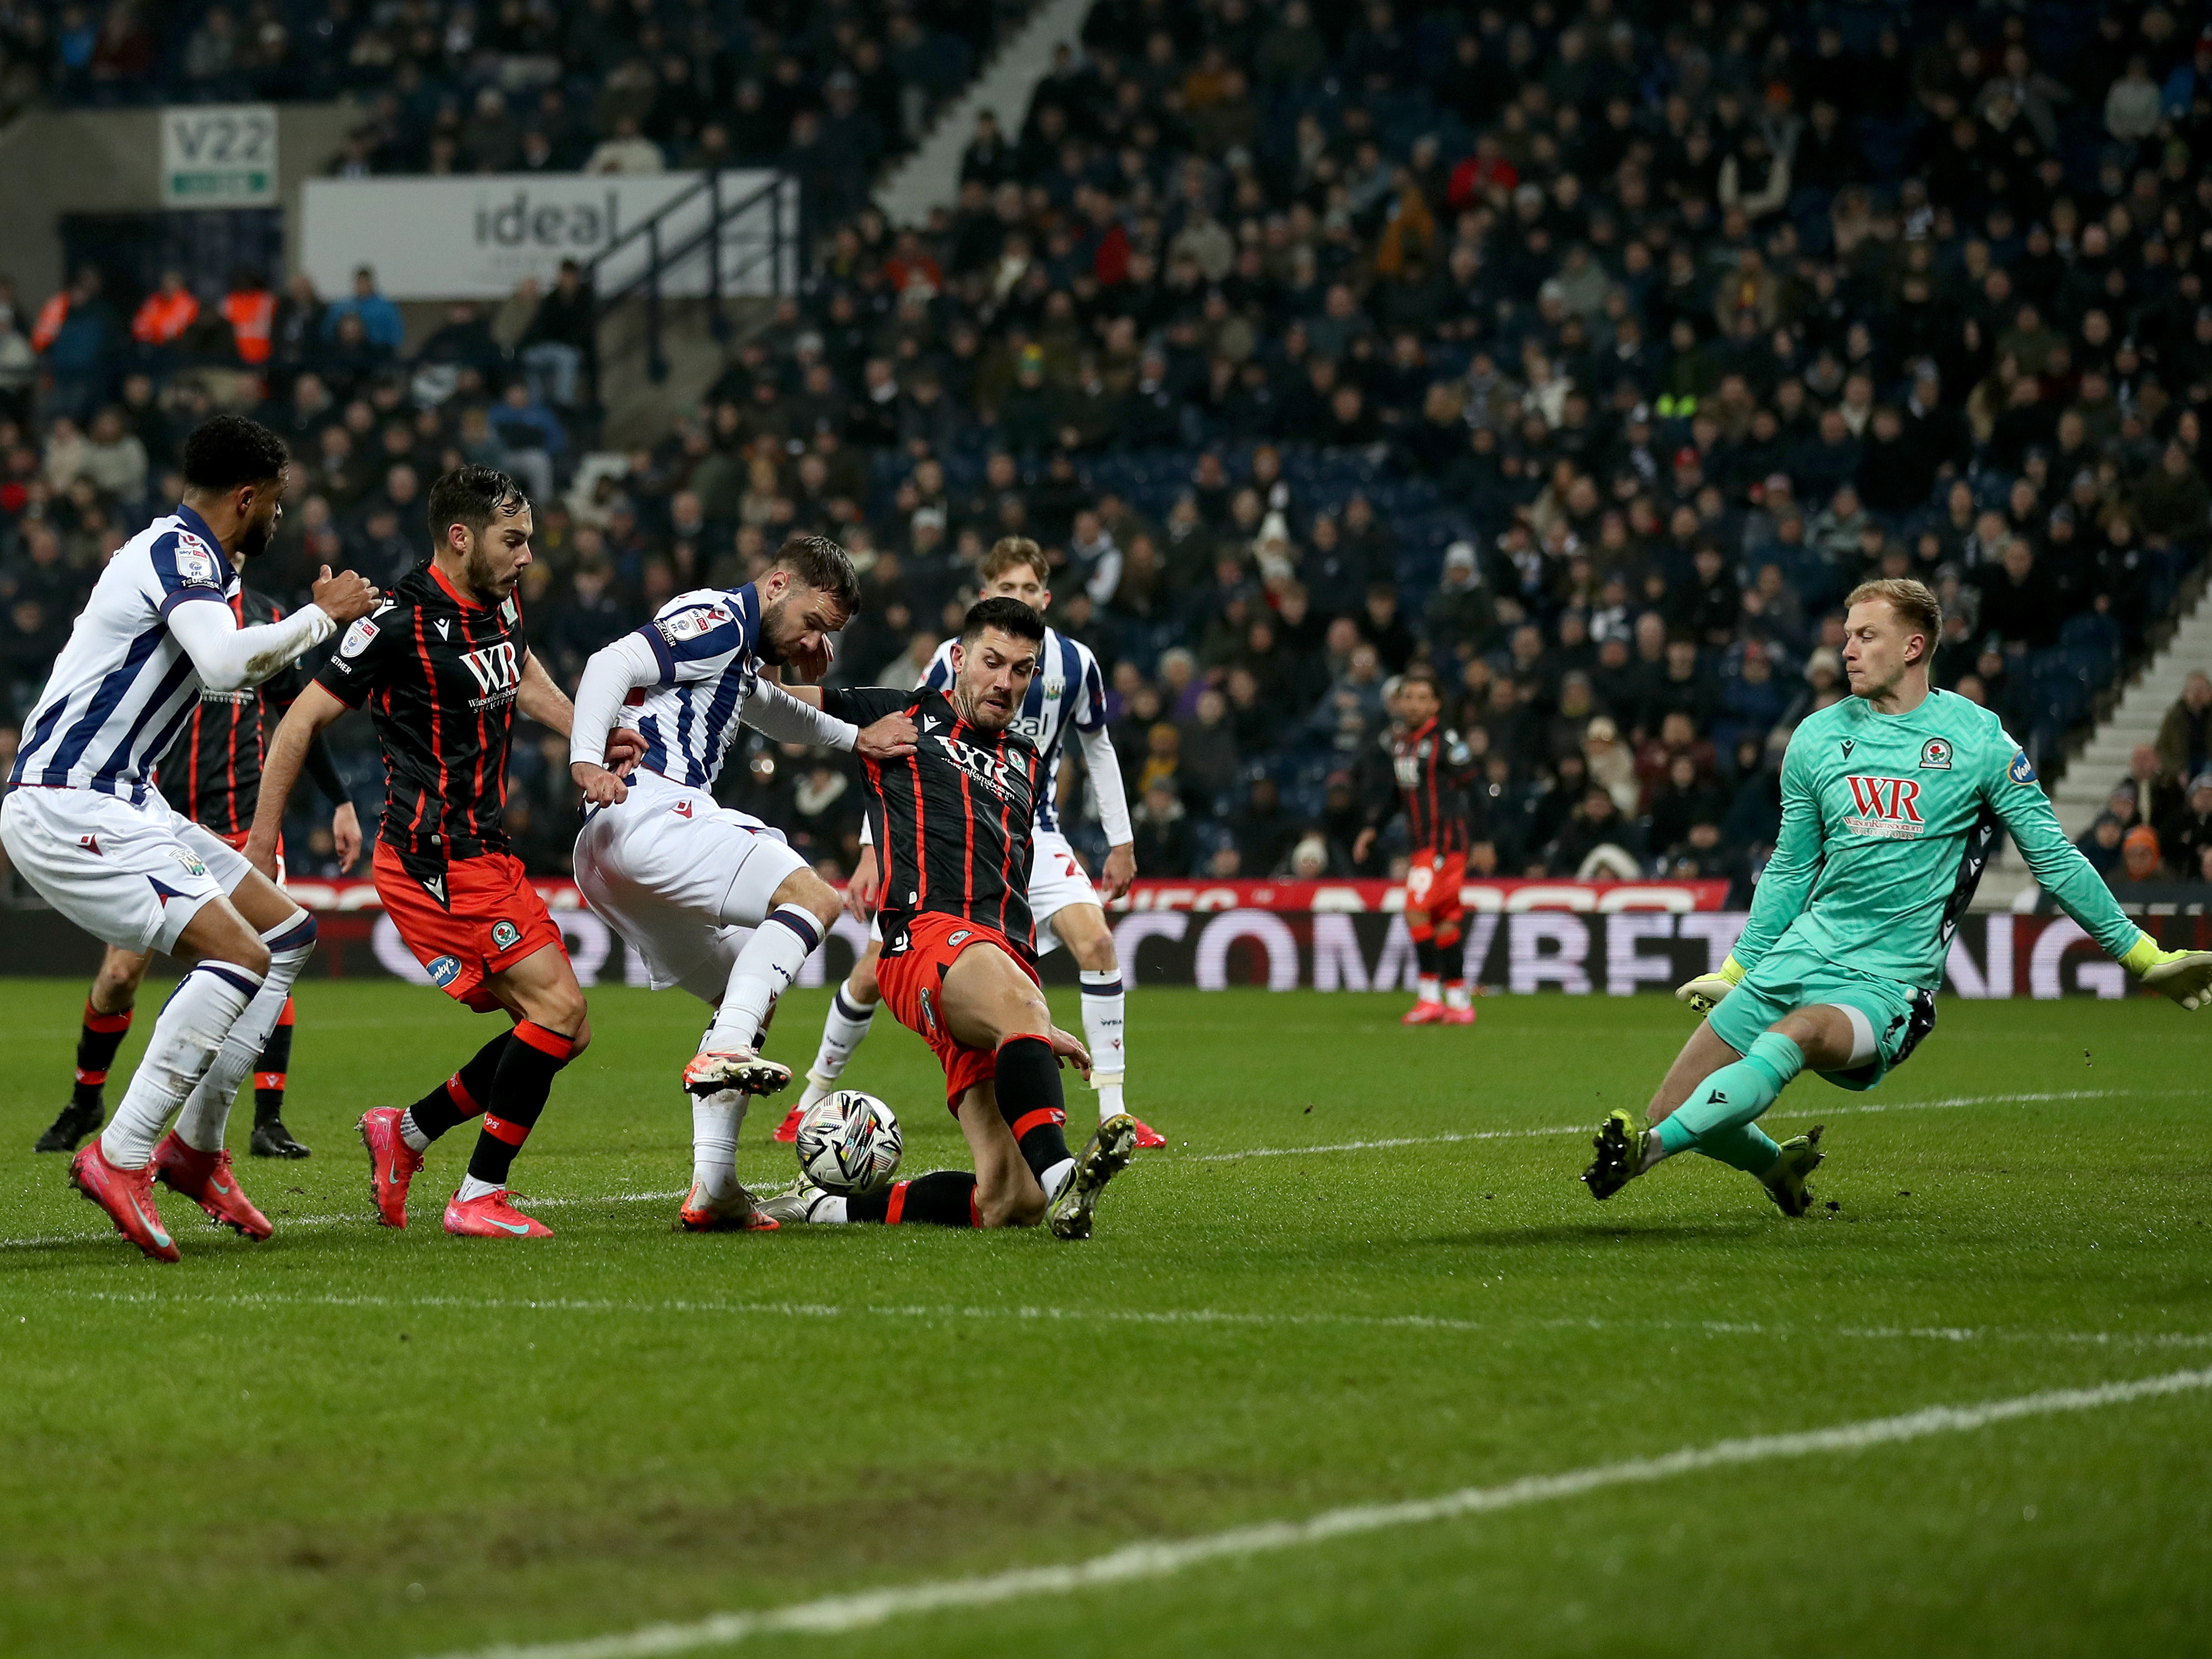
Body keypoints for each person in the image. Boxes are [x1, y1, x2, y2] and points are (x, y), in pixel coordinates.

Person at [1582, 578, 2212, 1216]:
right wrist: (1739, 968)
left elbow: (2055, 859)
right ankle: (1781, 1166)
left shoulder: (1980, 740)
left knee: (1794, 1037)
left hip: (1886, 983)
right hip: (1798, 956)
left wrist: (2144, 956)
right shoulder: (1816, 737)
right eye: (1847, 634)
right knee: (1674, 1102)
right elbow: (1791, 867)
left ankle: (1648, 1153)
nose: (1847, 649)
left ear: (1914, 646)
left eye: (1865, 635)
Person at [0, 414, 380, 1261]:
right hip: (70, 802)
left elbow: (250, 666)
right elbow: (219, 667)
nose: (280, 517)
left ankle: (196, 1151)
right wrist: (321, 619)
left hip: (129, 801)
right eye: (276, 501)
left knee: (285, 932)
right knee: (236, 957)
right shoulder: (179, 553)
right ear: (247, 498)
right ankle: (120, 1154)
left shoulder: (203, 564)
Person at [247, 467, 641, 1240]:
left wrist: (585, 737)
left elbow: (518, 671)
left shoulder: (499, 602)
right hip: (430, 861)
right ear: (460, 537)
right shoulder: (395, 622)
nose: (527, 555)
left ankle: (409, 1133)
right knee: (558, 1011)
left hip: (483, 854)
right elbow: (297, 722)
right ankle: (477, 1197)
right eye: (513, 540)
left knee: (565, 1027)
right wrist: (264, 841)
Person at [564, 534, 919, 1232]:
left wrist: (853, 739)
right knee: (813, 896)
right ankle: (724, 1051)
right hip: (650, 809)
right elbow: (612, 661)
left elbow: (763, 705)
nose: (815, 642)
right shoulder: (722, 615)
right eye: (813, 623)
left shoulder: (736, 650)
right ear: (779, 583)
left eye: (830, 633)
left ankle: (715, 1187)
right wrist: (584, 758)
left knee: (745, 993)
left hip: (609, 852)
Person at [758, 597, 1139, 1238]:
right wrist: (774, 650)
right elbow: (767, 709)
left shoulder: (1026, 760)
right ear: (959, 659)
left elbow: (1013, 891)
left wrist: (1032, 1020)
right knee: (1042, 1175)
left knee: (1007, 1201)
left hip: (997, 966)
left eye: (1022, 670)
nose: (1005, 682)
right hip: (923, 942)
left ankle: (825, 1204)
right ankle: (1066, 1177)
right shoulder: (898, 712)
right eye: (992, 662)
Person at [33, 582, 362, 1160]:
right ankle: (88, 1099)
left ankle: (268, 1117)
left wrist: (339, 800)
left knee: (275, 948)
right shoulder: (167, 610)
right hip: (157, 821)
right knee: (118, 976)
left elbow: (297, 716)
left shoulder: (269, 616)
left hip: (239, 822)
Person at [1353, 666, 1478, 1024]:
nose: (1413, 704)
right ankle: (1458, 1001)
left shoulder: (1447, 743)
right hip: (1423, 843)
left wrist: (1483, 838)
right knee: (1443, 921)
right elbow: (1399, 794)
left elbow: (1476, 788)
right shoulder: (1401, 742)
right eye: (1408, 697)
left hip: (1444, 844)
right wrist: (1373, 828)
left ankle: (1429, 997)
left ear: (1436, 704)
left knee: (1415, 910)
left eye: (1422, 698)